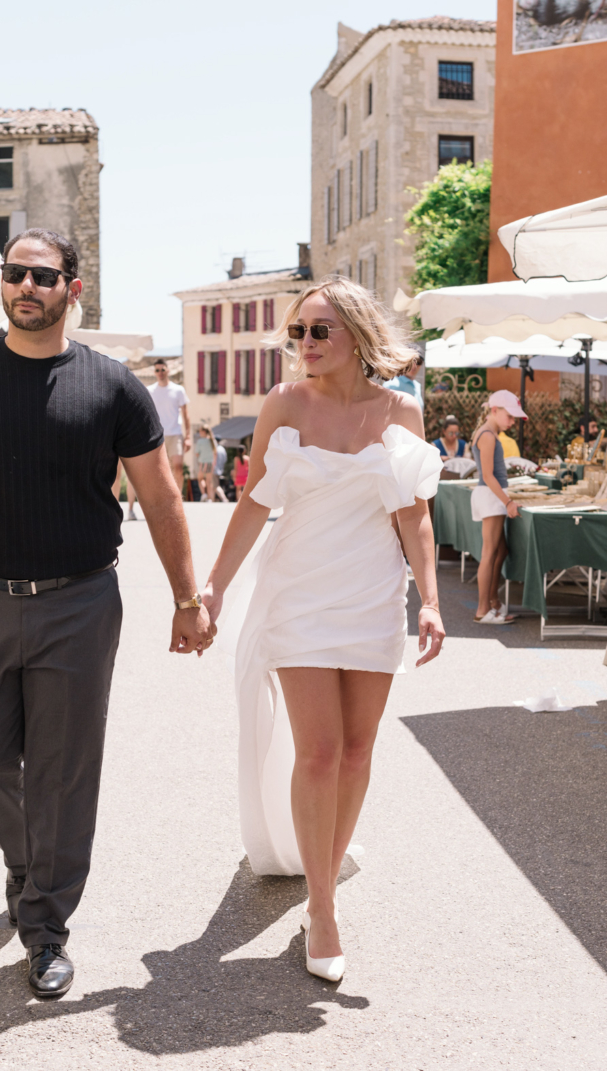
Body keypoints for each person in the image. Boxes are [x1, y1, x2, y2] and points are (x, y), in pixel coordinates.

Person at [0, 228, 214, 1002]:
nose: (26, 286)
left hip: (79, 601)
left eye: (43, 275)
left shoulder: (114, 386)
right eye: (14, 273)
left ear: (74, 287)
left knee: (65, 773)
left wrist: (186, 594)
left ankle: (43, 927)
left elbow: (161, 494)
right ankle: (29, 862)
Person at [200, 275, 444, 982]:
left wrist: (429, 598)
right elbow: (252, 503)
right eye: (296, 332)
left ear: (357, 337)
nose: (303, 344)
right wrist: (213, 587)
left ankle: (324, 878)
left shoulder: (402, 411)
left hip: (371, 593)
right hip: (299, 592)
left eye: (318, 331)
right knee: (320, 752)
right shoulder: (283, 403)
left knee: (359, 751)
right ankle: (323, 905)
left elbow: (414, 513)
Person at [471, 392, 526, 624]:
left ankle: (493, 602)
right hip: (491, 497)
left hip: (491, 496)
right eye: (510, 416)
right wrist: (508, 502)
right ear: (495, 410)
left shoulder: (488, 432)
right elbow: (487, 475)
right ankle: (483, 610)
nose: (512, 422)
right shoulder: (488, 435)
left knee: (499, 551)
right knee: (489, 553)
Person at [125, 357, 189, 520]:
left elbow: (186, 415)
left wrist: (188, 436)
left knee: (178, 467)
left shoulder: (178, 390)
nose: (160, 373)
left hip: (175, 433)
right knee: (156, 472)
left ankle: (178, 502)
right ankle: (138, 507)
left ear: (167, 370)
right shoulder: (150, 390)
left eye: (162, 369)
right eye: (157, 370)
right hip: (156, 435)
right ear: (154, 373)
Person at [193, 424, 217, 502]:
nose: (199, 433)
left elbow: (197, 453)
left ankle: (204, 494)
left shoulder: (200, 441)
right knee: (209, 481)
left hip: (202, 463)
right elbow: (215, 453)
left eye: (200, 431)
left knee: (200, 479)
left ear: (203, 431)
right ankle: (210, 498)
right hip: (210, 463)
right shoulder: (213, 441)